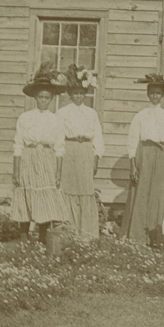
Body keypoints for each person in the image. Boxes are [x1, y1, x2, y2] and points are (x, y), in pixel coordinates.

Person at [10, 67, 71, 248]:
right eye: (40, 97)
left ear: (51, 99)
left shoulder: (56, 120)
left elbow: (59, 148)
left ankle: (43, 238)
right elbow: (18, 144)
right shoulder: (25, 117)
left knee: (45, 197)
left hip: (46, 159)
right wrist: (16, 170)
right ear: (35, 98)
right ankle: (23, 238)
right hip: (28, 158)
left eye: (47, 98)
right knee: (26, 194)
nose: (43, 101)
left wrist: (58, 171)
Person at [121, 72, 164, 247]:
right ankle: (139, 235)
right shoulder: (140, 116)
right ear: (148, 94)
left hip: (163, 155)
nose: (155, 96)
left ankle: (159, 237)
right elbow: (132, 142)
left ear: (162, 94)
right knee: (142, 192)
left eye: (158, 93)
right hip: (144, 154)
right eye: (152, 92)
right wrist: (133, 165)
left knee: (160, 194)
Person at [56, 65, 104, 239]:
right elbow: (58, 137)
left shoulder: (91, 113)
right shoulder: (62, 113)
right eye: (75, 93)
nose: (78, 96)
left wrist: (96, 157)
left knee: (85, 190)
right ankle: (69, 232)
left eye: (81, 93)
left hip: (85, 152)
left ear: (85, 94)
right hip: (69, 151)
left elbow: (97, 136)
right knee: (68, 189)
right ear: (70, 94)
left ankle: (86, 234)